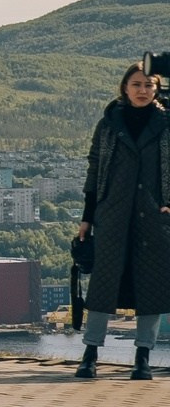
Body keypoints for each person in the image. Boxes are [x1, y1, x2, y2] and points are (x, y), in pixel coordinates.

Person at [73, 65, 169, 380]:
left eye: (148, 85)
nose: (142, 90)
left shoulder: (166, 124)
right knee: (103, 286)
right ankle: (90, 354)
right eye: (136, 84)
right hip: (112, 216)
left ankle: (142, 358)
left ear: (157, 89)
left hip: (154, 219)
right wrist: (88, 217)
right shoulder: (109, 124)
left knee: (151, 288)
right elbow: (95, 168)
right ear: (124, 87)